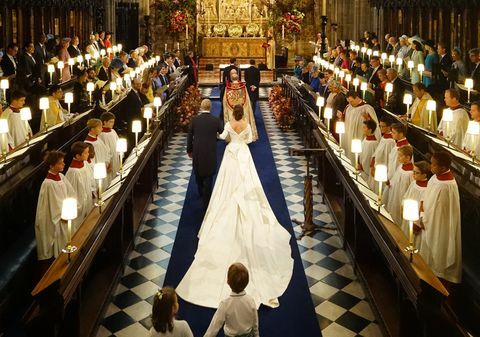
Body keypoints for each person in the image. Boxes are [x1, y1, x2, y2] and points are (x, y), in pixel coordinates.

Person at [178, 105, 293, 309]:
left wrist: (228, 137)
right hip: (243, 154)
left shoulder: (230, 124)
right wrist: (240, 139)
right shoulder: (247, 124)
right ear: (244, 114)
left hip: (231, 154)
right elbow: (249, 140)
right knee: (248, 182)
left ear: (233, 114)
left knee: (226, 185)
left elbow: (222, 137)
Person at [419, 152, 462, 285]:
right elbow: (427, 198)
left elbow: (438, 213)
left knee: (437, 255)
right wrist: (421, 206)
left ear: (443, 167)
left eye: (433, 164)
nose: (430, 166)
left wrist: (422, 217)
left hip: (439, 225)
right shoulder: (435, 178)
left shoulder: (446, 185)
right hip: (428, 220)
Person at [35, 151, 75, 270]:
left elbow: (71, 193)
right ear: (51, 166)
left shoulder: (61, 177)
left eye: (63, 162)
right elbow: (52, 207)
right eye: (60, 163)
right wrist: (63, 214)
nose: (63, 164)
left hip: (65, 215)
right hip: (57, 220)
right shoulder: (48, 184)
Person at [203, 263, 259, 337]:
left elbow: (214, 327)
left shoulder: (225, 304)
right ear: (247, 282)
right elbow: (255, 323)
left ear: (228, 281)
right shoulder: (251, 301)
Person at [187, 99, 223, 208]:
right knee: (209, 174)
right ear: (210, 108)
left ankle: (200, 191)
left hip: (197, 150)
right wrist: (214, 139)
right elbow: (221, 134)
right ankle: (207, 200)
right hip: (210, 150)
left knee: (198, 172)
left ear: (201, 107)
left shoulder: (194, 120)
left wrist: (189, 150)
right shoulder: (215, 120)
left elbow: (189, 136)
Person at [338, 90, 380, 162]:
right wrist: (340, 117)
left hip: (360, 136)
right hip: (349, 136)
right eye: (348, 101)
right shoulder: (348, 107)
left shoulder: (367, 108)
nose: (350, 103)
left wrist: (367, 119)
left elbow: (375, 125)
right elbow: (344, 120)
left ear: (357, 98)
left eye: (351, 101)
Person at [65, 142, 93, 231]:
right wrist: (79, 207)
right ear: (77, 156)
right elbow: (71, 192)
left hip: (87, 200)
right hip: (79, 206)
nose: (88, 154)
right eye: (85, 153)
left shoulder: (85, 164)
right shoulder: (73, 172)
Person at [402, 160, 430, 247]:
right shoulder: (414, 183)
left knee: (414, 241)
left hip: (416, 220)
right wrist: (403, 207)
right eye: (413, 172)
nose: (413, 174)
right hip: (407, 214)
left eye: (416, 173)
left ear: (424, 174)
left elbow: (423, 208)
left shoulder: (427, 189)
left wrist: (417, 223)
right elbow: (406, 196)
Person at [384, 145, 414, 225]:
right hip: (395, 194)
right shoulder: (401, 166)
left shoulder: (411, 173)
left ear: (408, 158)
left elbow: (411, 188)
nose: (398, 158)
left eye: (400, 156)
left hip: (402, 196)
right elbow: (395, 179)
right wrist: (390, 183)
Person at [223, 73, 258, 141]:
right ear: (238, 78)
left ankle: (231, 137)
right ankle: (245, 137)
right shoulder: (243, 88)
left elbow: (225, 101)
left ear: (231, 78)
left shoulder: (228, 89)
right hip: (242, 108)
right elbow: (247, 99)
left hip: (231, 109)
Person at [98, 112, 120, 181]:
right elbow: (104, 150)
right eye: (111, 122)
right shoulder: (102, 135)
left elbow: (118, 142)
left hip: (116, 157)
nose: (112, 124)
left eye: (113, 122)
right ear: (104, 122)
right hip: (109, 160)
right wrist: (107, 162)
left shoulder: (113, 131)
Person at [359, 119, 379, 189]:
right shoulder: (366, 139)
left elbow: (369, 158)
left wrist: (362, 166)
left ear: (370, 130)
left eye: (364, 127)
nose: (363, 129)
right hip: (361, 168)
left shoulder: (373, 143)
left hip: (366, 172)